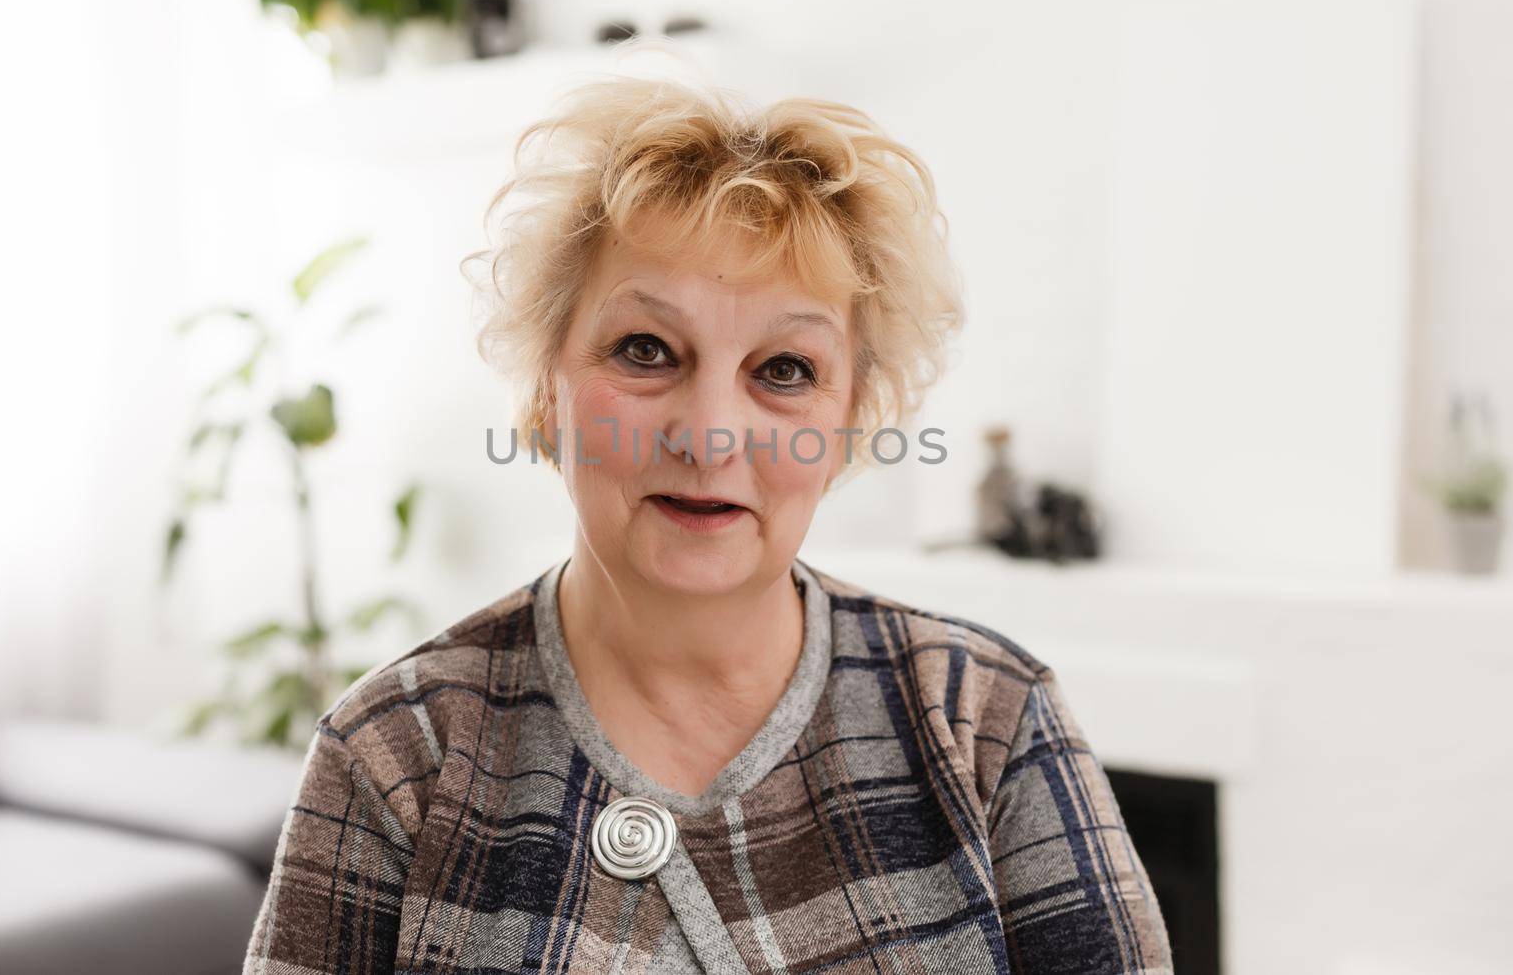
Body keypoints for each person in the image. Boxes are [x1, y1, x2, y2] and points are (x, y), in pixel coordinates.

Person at [241, 74, 1173, 974]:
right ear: (542, 394)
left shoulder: (989, 718)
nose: (710, 434)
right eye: (646, 350)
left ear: (848, 426)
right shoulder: (396, 750)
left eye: (785, 370)